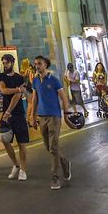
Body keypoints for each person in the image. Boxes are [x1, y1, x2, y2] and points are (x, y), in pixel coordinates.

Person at [29, 55, 72, 189]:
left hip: (54, 116)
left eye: (39, 64)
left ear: (46, 65)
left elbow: (63, 97)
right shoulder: (35, 81)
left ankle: (55, 178)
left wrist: (65, 114)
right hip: (42, 117)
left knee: (53, 147)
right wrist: (32, 116)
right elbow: (35, 98)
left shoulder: (54, 80)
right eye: (35, 64)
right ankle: (64, 162)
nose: (37, 66)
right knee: (48, 147)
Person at [0, 54, 30, 180]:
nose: (5, 65)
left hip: (18, 113)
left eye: (7, 63)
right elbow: (3, 90)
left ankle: (23, 170)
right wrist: (17, 90)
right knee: (4, 140)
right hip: (6, 115)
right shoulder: (1, 76)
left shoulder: (19, 78)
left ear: (12, 62)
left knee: (22, 143)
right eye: (3, 63)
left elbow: (17, 98)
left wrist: (9, 111)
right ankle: (16, 164)